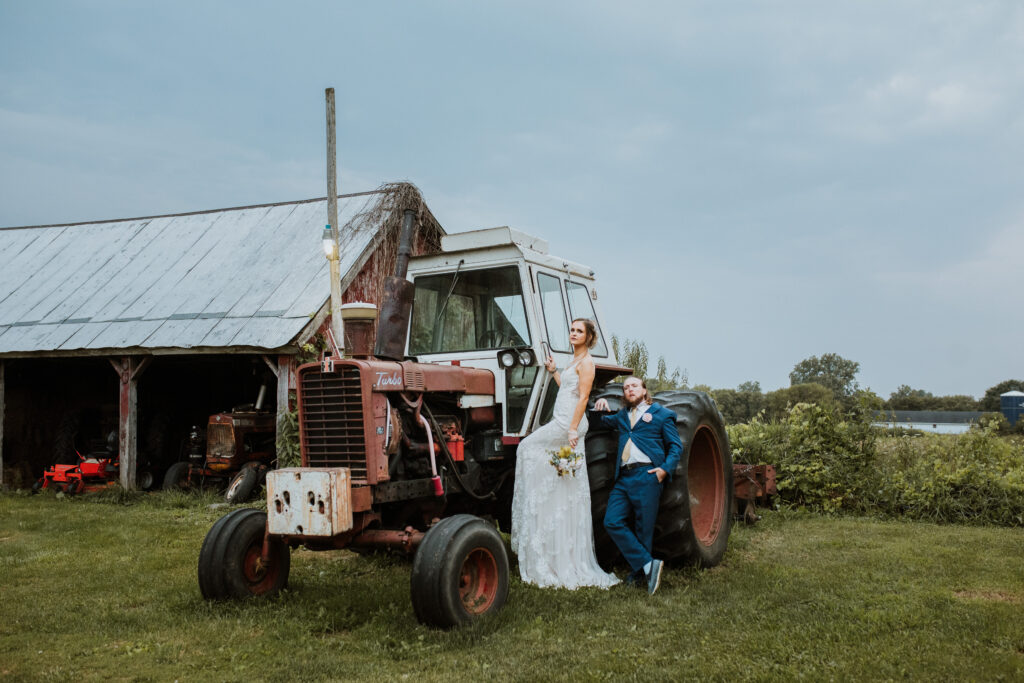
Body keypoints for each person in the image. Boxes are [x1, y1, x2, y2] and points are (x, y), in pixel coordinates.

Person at [510, 318, 619, 589]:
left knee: (526, 448)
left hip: (567, 424)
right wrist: (553, 372)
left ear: (589, 336)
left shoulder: (587, 363)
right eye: (571, 329)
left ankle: (537, 514)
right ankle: (549, 533)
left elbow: (583, 398)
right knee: (561, 478)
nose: (573, 333)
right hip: (563, 419)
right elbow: (568, 390)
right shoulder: (573, 361)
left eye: (579, 331)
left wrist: (571, 429)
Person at [592, 376, 682, 595]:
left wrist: (663, 470)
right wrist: (599, 407)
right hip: (624, 477)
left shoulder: (661, 414)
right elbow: (598, 423)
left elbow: (676, 447)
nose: (629, 390)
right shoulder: (622, 416)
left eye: (633, 386)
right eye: (625, 388)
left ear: (644, 390)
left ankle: (638, 574)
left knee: (644, 528)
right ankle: (649, 564)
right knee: (612, 521)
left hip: (647, 475)